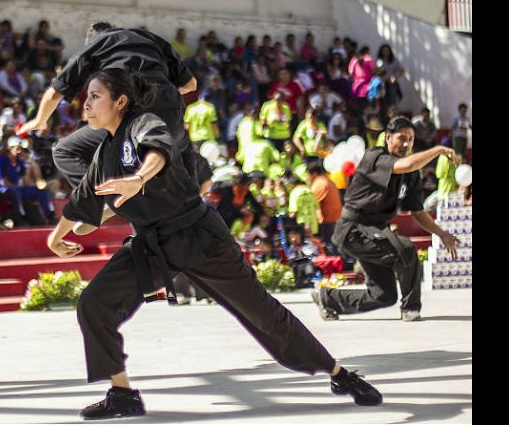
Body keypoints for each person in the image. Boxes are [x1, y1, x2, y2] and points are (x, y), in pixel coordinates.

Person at [45, 69, 382, 419]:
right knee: (94, 303)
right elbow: (83, 199)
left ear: (121, 101)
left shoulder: (145, 124)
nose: (86, 104)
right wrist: (57, 236)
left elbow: (157, 153)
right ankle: (122, 392)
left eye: (95, 96)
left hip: (199, 237)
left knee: (261, 313)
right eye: (86, 97)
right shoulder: (103, 154)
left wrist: (138, 179)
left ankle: (338, 373)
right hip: (151, 245)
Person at [17, 21, 198, 233]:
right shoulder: (152, 40)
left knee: (65, 150)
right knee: (183, 148)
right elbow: (190, 85)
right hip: (172, 113)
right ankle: (192, 206)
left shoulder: (97, 45)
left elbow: (55, 92)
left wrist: (39, 120)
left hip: (134, 117)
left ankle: (105, 198)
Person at [312, 117, 460, 322]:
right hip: (353, 230)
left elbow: (417, 211)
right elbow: (406, 164)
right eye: (401, 138)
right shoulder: (375, 157)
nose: (406, 144)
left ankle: (328, 298)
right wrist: (438, 150)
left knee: (383, 295)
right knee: (406, 249)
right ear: (388, 138)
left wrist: (442, 234)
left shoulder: (411, 174)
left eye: (411, 139)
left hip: (376, 232)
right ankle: (411, 308)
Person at [308, 161, 342, 252]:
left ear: (313, 174)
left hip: (328, 220)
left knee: (330, 247)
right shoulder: (327, 181)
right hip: (335, 217)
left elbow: (311, 204)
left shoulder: (319, 183)